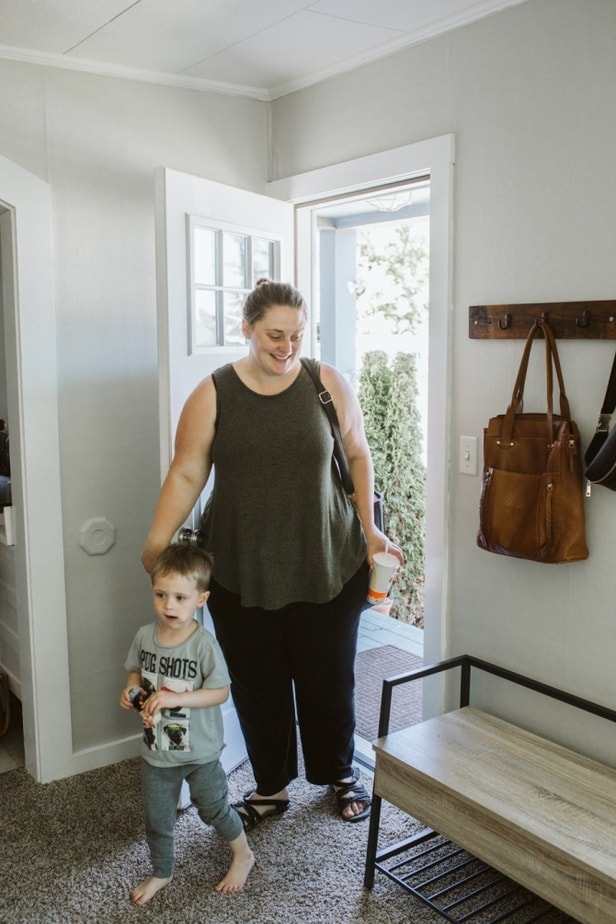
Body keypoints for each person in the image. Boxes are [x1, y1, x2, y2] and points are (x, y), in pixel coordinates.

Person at [141, 279, 404, 828]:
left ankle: (339, 774)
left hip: (327, 559)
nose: (287, 347)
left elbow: (357, 454)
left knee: (327, 677)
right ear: (247, 328)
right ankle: (270, 787)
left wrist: (370, 529)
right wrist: (157, 541)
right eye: (274, 335)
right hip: (241, 565)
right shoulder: (213, 392)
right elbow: (188, 471)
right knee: (257, 683)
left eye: (297, 336)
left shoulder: (325, 382)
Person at [121, 543, 254, 905]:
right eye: (161, 594)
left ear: (201, 598)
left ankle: (243, 854)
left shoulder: (203, 645)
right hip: (157, 750)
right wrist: (132, 688)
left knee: (213, 807)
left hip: (200, 751)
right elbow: (135, 670)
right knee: (157, 819)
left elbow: (221, 693)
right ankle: (162, 872)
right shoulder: (145, 636)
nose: (169, 605)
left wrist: (177, 698)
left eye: (180, 597)